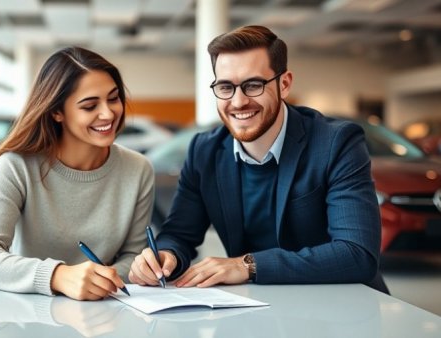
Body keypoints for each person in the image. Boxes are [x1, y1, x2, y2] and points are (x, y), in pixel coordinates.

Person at [128, 25, 388, 293]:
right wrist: (165, 256)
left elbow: (357, 254)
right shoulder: (204, 151)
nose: (238, 102)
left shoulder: (336, 143)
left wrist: (247, 265)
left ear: (284, 84)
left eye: (253, 85)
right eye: (226, 87)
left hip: (343, 308)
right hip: (257, 306)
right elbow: (180, 234)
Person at [0, 46, 155, 300]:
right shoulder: (16, 166)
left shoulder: (138, 169)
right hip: (29, 316)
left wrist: (98, 282)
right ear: (57, 112)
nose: (108, 113)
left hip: (105, 314)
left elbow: (133, 258)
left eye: (113, 98)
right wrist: (59, 276)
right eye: (89, 106)